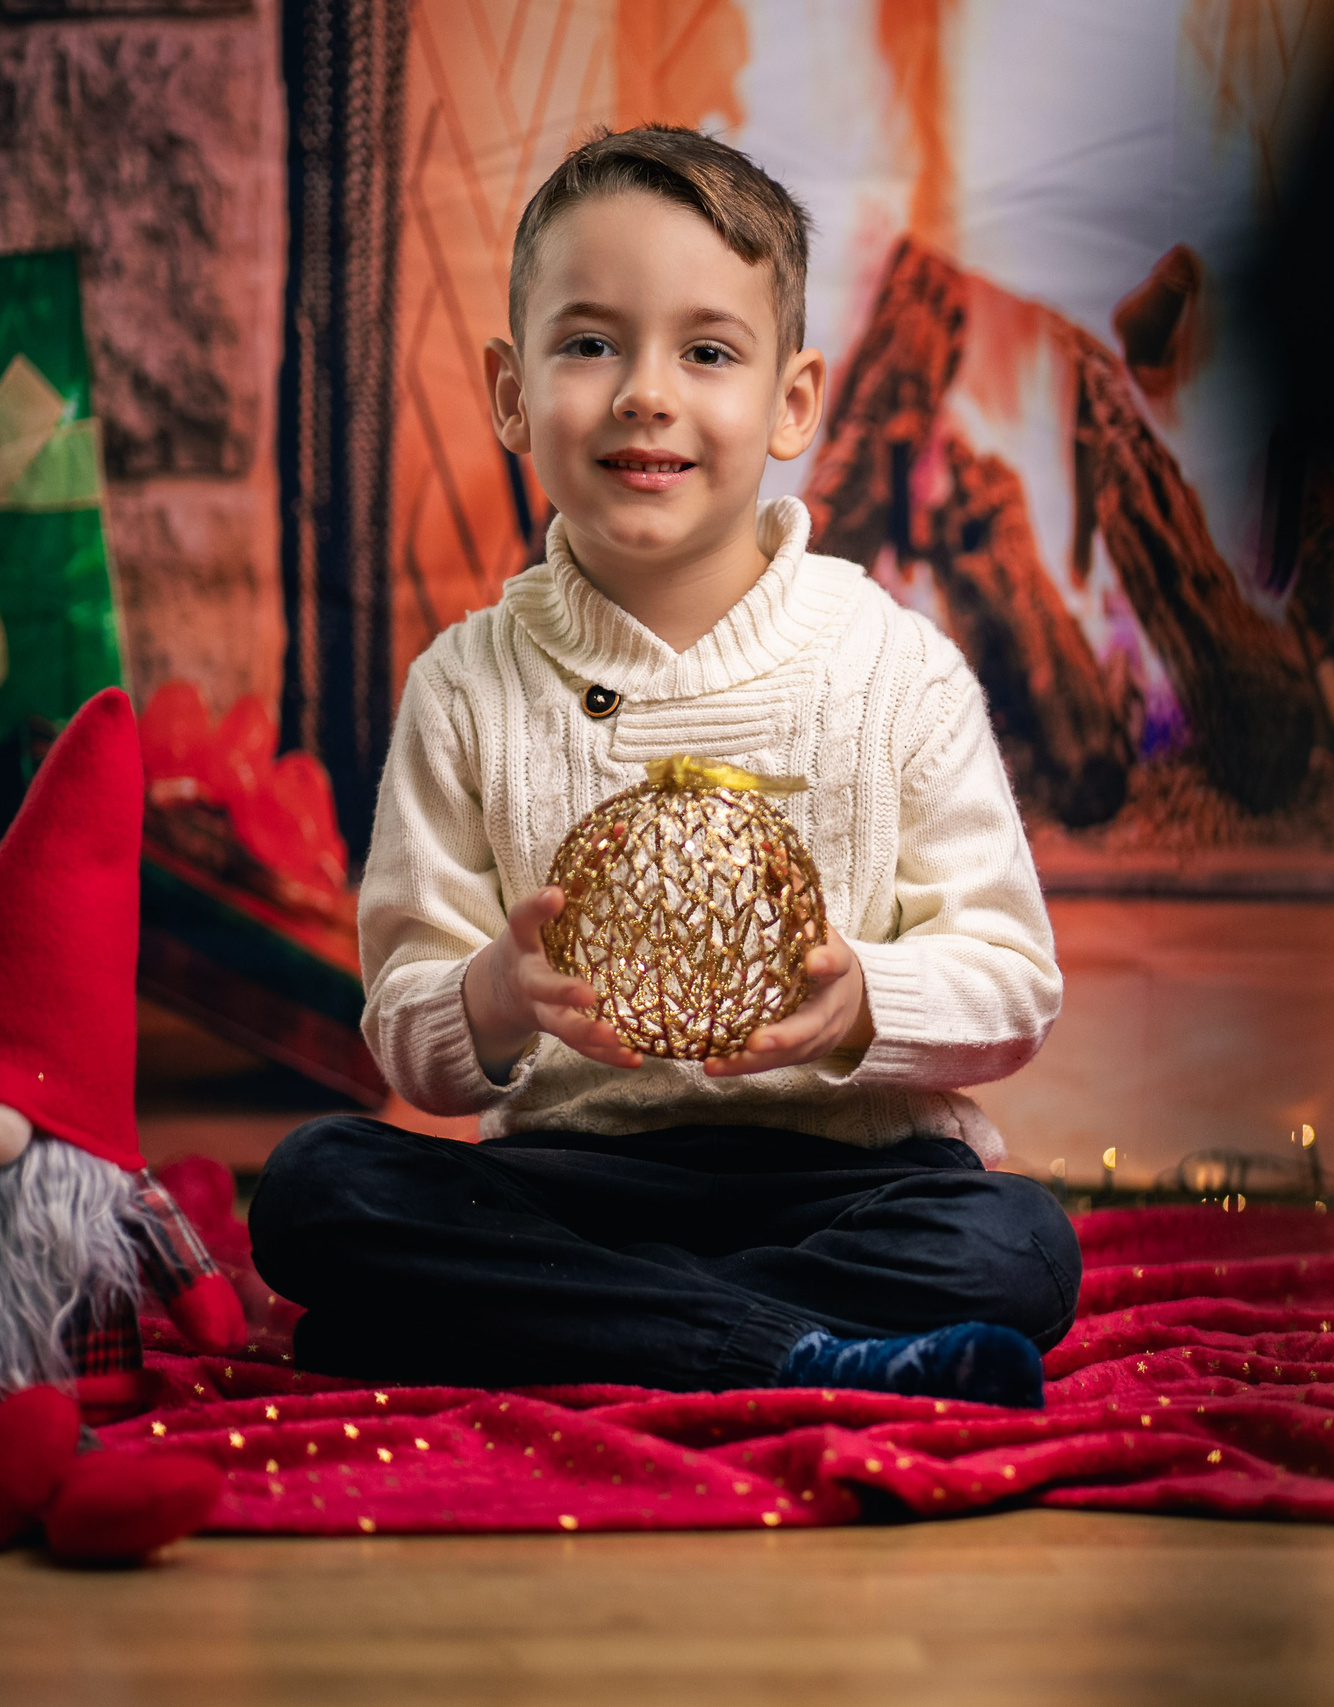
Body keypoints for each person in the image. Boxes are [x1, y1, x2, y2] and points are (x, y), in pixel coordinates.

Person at [248, 126, 1075, 1408]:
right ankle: (789, 1352)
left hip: (850, 1184)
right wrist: (496, 995)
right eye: (589, 344)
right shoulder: (464, 688)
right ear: (511, 391)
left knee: (1019, 1249)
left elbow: (1014, 985)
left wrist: (866, 1001)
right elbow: (407, 1033)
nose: (645, 391)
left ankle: (538, 1334)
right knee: (317, 1188)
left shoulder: (895, 669)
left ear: (793, 402)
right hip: (579, 1183)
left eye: (706, 351)